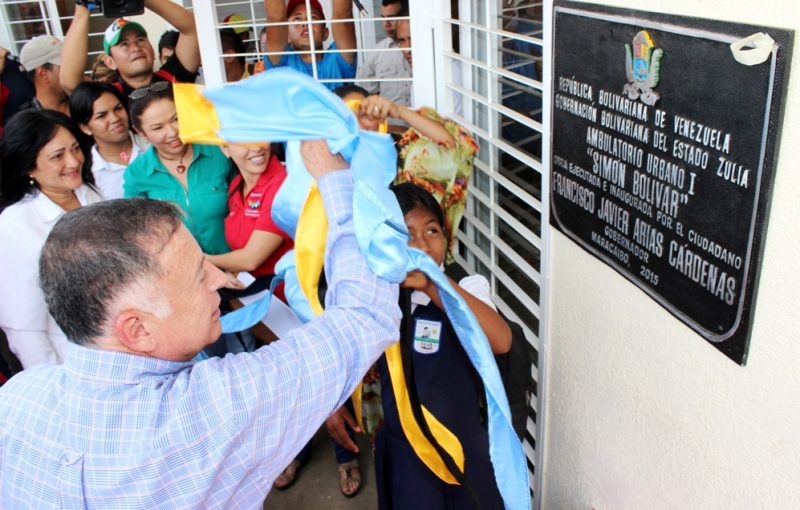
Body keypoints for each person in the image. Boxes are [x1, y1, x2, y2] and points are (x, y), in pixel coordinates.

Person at [0, 140, 402, 508]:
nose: (220, 280)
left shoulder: (19, 399)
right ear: (136, 329)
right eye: (198, 275)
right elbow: (365, 315)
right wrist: (336, 179)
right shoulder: (211, 409)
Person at [330, 182, 511, 509]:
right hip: (408, 456)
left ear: (448, 238)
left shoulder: (466, 288)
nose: (423, 244)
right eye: (407, 233)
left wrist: (433, 287)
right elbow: (342, 354)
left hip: (465, 450)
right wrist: (330, 405)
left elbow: (500, 340)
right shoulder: (379, 300)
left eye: (432, 230)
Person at [0, 110, 103, 369]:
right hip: (69, 362)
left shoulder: (89, 194)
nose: (73, 161)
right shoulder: (16, 223)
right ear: (28, 166)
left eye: (76, 149)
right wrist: (53, 384)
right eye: (58, 156)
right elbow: (25, 326)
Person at [123, 82, 230, 255]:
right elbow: (139, 233)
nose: (172, 132)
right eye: (158, 128)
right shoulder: (137, 174)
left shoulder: (218, 151)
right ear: (140, 132)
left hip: (237, 264)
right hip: (184, 274)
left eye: (176, 119)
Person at [60, 0, 200, 102]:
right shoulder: (110, 97)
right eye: (124, 44)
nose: (135, 47)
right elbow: (70, 81)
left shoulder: (173, 75)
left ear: (151, 50)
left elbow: (192, 28)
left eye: (140, 40)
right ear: (110, 62)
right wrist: (82, 8)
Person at [69, 81, 148, 199]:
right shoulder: (88, 173)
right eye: (101, 116)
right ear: (85, 128)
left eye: (118, 109)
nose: (115, 118)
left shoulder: (154, 144)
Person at [263, 0, 357, 91]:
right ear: (287, 35)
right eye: (297, 19)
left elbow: (343, 15)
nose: (305, 23)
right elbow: (276, 17)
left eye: (313, 17)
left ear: (325, 33)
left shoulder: (337, 58)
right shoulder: (282, 61)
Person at [355, 0, 412, 107]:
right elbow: (367, 94)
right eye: (383, 18)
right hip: (389, 121)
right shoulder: (376, 53)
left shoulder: (424, 50)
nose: (386, 24)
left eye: (391, 18)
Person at [18, 35, 69, 116]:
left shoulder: (83, 103)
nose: (72, 70)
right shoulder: (30, 123)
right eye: (65, 66)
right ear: (43, 73)